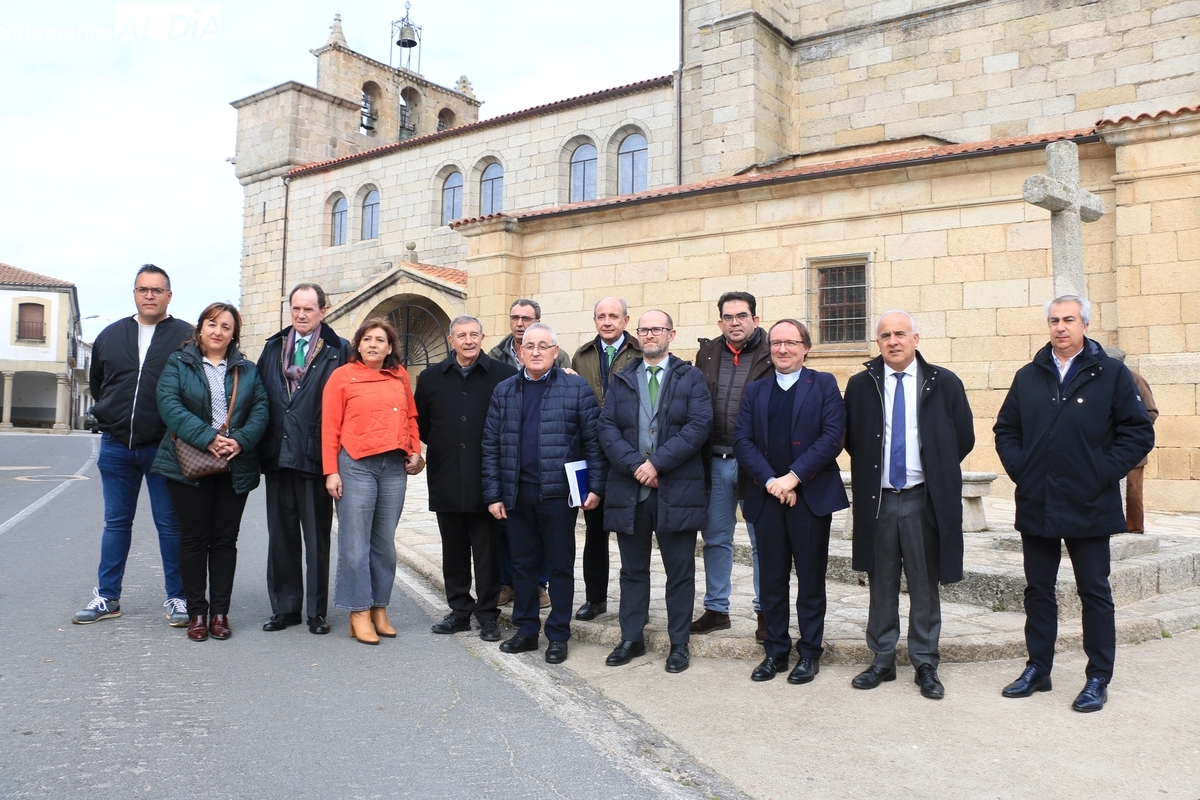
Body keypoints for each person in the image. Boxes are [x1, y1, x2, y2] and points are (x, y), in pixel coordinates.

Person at [994, 295, 1153, 713]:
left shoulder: (1113, 375)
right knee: (1038, 590)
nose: (1060, 327)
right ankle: (1038, 668)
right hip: (1037, 499)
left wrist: (1101, 471)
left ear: (1084, 324)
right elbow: (1006, 429)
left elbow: (1138, 433)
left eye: (1068, 320)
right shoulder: (1028, 375)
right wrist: (1022, 469)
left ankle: (1098, 677)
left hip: (1090, 502)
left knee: (1094, 592)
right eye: (1054, 321)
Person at [843, 310, 974, 700]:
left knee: (924, 582)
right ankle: (882, 659)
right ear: (878, 342)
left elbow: (962, 438)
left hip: (923, 499)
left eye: (900, 333)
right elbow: (854, 439)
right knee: (880, 582)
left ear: (916, 338)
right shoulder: (862, 384)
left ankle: (925, 662)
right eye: (885, 335)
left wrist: (934, 468)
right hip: (879, 500)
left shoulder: (943, 383)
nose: (893, 341)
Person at [73, 265, 194, 627]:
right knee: (116, 524)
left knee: (170, 526)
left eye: (157, 290)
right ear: (135, 294)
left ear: (168, 296)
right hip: (115, 447)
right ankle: (107, 598)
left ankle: (178, 598)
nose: (149, 295)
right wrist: (113, 418)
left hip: (164, 447)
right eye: (143, 289)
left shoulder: (186, 336)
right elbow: (100, 385)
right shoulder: (111, 335)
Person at [482, 322, 606, 664]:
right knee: (521, 566)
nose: (536, 352)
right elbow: (491, 445)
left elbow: (594, 441)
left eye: (543, 346)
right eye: (529, 346)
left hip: (558, 496)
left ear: (555, 351)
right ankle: (525, 631)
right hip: (517, 494)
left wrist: (595, 486)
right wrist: (493, 494)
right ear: (520, 352)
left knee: (560, 566)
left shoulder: (575, 388)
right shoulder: (504, 390)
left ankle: (558, 635)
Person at [734, 319, 848, 684]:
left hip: (810, 497)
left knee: (811, 580)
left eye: (791, 342)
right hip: (767, 497)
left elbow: (832, 437)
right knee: (771, 580)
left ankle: (810, 653)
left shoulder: (824, 384)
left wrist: (793, 477)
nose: (783, 349)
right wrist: (771, 481)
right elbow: (743, 441)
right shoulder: (755, 390)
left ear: (806, 347)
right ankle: (776, 651)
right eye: (777, 343)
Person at [597, 310, 711, 673]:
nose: (650, 335)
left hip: (676, 488)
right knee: (632, 570)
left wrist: (657, 463)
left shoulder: (691, 377)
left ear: (671, 334)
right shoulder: (622, 378)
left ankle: (679, 643)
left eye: (656, 329)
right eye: (644, 330)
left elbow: (698, 426)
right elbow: (607, 428)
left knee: (680, 571)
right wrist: (636, 466)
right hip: (631, 491)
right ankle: (631, 637)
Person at [152, 302, 270, 642]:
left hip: (236, 464)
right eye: (212, 323)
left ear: (234, 334)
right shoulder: (179, 362)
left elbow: (261, 409)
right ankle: (197, 614)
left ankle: (220, 614)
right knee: (193, 540)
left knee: (224, 541)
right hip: (189, 462)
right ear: (201, 328)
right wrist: (208, 439)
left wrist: (241, 442)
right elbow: (169, 405)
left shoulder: (247, 370)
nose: (218, 331)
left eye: (226, 326)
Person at [414, 315, 517, 641]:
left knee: (487, 553)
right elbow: (424, 425)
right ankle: (459, 611)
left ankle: (487, 615)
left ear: (483, 337)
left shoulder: (504, 375)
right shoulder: (431, 378)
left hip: (487, 479)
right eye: (462, 335)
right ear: (451, 339)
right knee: (454, 551)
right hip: (446, 476)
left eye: (474, 334)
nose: (468, 340)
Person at [322, 319, 423, 645]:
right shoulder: (342, 376)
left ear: (390, 347)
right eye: (367, 339)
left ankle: (380, 607)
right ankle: (358, 611)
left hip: (393, 466)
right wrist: (331, 471)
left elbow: (410, 416)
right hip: (355, 466)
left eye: (380, 340)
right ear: (358, 345)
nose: (373, 344)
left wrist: (414, 449)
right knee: (355, 544)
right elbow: (330, 426)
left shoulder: (400, 375)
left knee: (384, 544)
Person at [257, 283, 350, 635]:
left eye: (309, 309)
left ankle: (316, 612)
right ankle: (285, 609)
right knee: (281, 538)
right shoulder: (272, 348)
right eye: (296, 308)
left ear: (323, 312)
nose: (301, 315)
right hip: (278, 455)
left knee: (317, 539)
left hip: (316, 458)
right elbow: (261, 399)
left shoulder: (339, 350)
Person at [693, 291, 773, 640]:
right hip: (715, 459)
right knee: (715, 538)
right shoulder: (707, 354)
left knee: (763, 542)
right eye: (728, 317)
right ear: (720, 322)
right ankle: (716, 609)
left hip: (756, 463)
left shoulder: (773, 353)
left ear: (755, 319)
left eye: (742, 316)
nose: (735, 322)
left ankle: (766, 614)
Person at [571, 296, 642, 621]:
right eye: (602, 316)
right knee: (594, 531)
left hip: (629, 454)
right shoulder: (582, 356)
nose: (607, 321)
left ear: (626, 320)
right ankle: (595, 598)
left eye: (614, 316)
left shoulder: (642, 355)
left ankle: (634, 601)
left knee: (633, 533)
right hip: (593, 454)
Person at [489, 297, 563, 608]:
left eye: (526, 318)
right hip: (511, 462)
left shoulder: (561, 359)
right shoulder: (495, 356)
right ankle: (510, 583)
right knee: (508, 532)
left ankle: (540, 585)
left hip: (549, 469)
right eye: (515, 317)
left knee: (546, 537)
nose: (519, 323)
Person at [1104, 347, 1158, 534]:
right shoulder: (1101, 380)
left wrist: (1131, 430)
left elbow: (1151, 411)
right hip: (1107, 446)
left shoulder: (1136, 379)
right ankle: (1110, 524)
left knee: (1133, 490)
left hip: (1133, 446)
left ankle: (1134, 528)